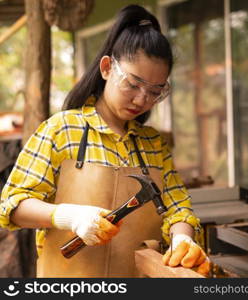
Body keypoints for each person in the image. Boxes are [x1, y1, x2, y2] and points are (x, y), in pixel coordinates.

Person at [0, 4, 210, 277]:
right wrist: (69, 216)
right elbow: (13, 204)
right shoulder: (62, 129)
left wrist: (183, 238)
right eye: (133, 84)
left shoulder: (153, 144)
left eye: (155, 91)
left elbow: (177, 207)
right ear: (107, 68)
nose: (141, 100)